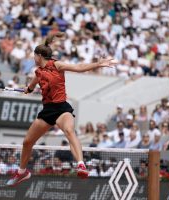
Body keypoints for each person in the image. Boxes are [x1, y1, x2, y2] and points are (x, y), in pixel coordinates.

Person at [6, 32, 117, 186]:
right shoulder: (38, 72)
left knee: (70, 131)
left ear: (39, 56)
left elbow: (79, 67)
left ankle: (81, 165)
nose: (33, 58)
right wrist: (27, 89)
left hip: (62, 107)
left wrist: (97, 64)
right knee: (27, 142)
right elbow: (31, 87)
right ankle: (22, 172)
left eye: (34, 56)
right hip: (47, 111)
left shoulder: (56, 65)